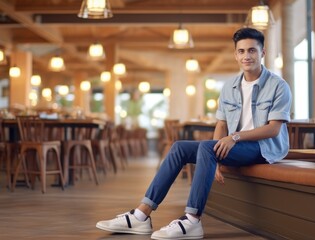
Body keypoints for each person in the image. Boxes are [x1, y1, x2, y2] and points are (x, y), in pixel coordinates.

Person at [96, 27, 292, 240]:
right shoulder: (230, 87)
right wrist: (219, 152)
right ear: (236, 54)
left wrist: (233, 138)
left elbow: (273, 129)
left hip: (264, 149)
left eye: (252, 51)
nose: (247, 56)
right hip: (236, 146)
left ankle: (192, 220)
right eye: (242, 51)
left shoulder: (278, 86)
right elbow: (221, 123)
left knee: (208, 147)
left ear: (262, 53)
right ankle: (142, 215)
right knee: (179, 146)